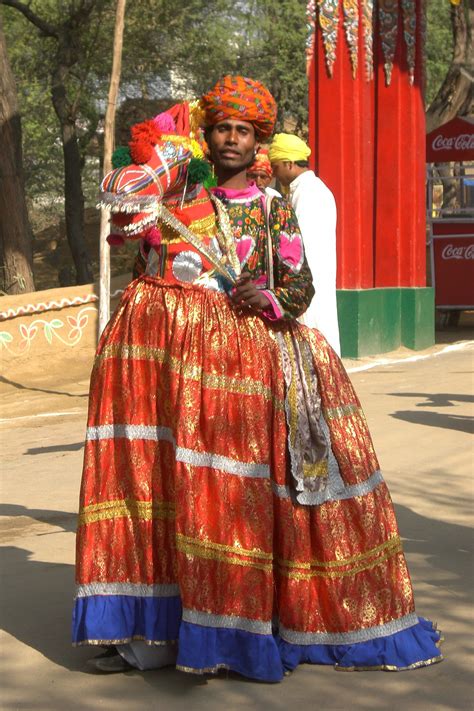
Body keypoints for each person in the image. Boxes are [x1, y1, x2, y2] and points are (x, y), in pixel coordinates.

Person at [73, 75, 442, 680]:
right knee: (156, 487)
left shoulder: (273, 210)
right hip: (159, 359)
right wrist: (163, 150)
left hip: (240, 369)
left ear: (258, 140)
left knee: (223, 497)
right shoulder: (176, 188)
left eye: (244, 130)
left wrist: (266, 295)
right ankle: (149, 631)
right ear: (208, 133)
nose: (231, 139)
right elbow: (127, 215)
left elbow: (301, 287)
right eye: (222, 127)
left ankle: (228, 632)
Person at [269, 133, 340, 354]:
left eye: (276, 166)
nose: (274, 172)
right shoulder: (308, 190)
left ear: (289, 164)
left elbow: (297, 248)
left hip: (307, 284)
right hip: (312, 283)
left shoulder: (308, 194)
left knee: (312, 346)